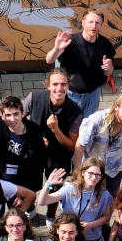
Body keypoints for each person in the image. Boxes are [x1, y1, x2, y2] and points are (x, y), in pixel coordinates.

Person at [23, 69, 84, 205]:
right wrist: (33, 137)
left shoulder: (75, 112)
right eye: (55, 84)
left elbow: (71, 146)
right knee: (28, 183)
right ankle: (30, 207)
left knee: (55, 188)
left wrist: (55, 130)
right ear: (48, 86)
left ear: (68, 86)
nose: (59, 88)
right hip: (33, 152)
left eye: (63, 84)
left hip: (58, 156)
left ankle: (50, 215)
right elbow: (17, 120)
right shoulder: (33, 98)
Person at [44, 10, 116, 116]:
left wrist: (109, 67)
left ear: (101, 25)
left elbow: (107, 73)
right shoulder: (71, 42)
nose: (94, 26)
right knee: (70, 125)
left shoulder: (105, 44)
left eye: (97, 23)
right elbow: (49, 60)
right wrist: (56, 48)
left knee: (88, 126)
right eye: (90, 22)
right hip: (71, 93)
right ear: (83, 23)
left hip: (93, 94)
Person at [0, 96, 48, 196]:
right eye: (8, 115)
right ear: (2, 116)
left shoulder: (33, 131)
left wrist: (28, 193)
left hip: (19, 186)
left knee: (18, 211)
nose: (12, 119)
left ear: (22, 114)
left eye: (16, 114)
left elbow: (37, 165)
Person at [38, 158, 113, 241]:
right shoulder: (70, 189)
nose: (94, 177)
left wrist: (91, 224)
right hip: (71, 240)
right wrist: (48, 184)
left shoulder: (104, 194)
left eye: (98, 174)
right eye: (90, 173)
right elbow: (42, 201)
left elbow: (106, 217)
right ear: (83, 173)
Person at [75, 92, 122, 195]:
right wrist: (77, 168)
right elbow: (80, 143)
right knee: (89, 196)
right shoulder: (97, 120)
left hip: (114, 167)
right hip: (92, 168)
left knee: (111, 197)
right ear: (116, 107)